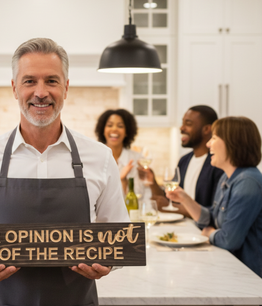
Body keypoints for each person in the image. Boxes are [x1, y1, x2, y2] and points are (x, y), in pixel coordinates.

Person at [0, 38, 128, 306]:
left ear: (66, 87)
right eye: (30, 81)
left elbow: (120, 233)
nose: (41, 92)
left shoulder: (99, 158)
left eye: (52, 81)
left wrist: (109, 262)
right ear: (15, 88)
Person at [166, 116, 262, 283]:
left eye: (214, 138)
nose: (208, 144)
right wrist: (184, 198)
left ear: (233, 143)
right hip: (232, 270)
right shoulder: (228, 177)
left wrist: (209, 233)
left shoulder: (248, 183)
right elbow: (212, 217)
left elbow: (229, 240)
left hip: (249, 278)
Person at [139, 105, 224, 214]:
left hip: (202, 229)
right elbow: (170, 199)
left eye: (188, 124)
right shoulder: (184, 160)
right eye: (182, 123)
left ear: (207, 129)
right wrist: (152, 182)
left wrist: (176, 208)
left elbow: (215, 212)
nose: (181, 128)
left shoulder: (216, 164)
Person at [95, 108, 144, 198]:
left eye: (120, 126)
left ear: (127, 132)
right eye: (109, 125)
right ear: (103, 130)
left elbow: (138, 196)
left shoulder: (136, 159)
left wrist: (123, 180)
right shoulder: (94, 157)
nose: (114, 129)